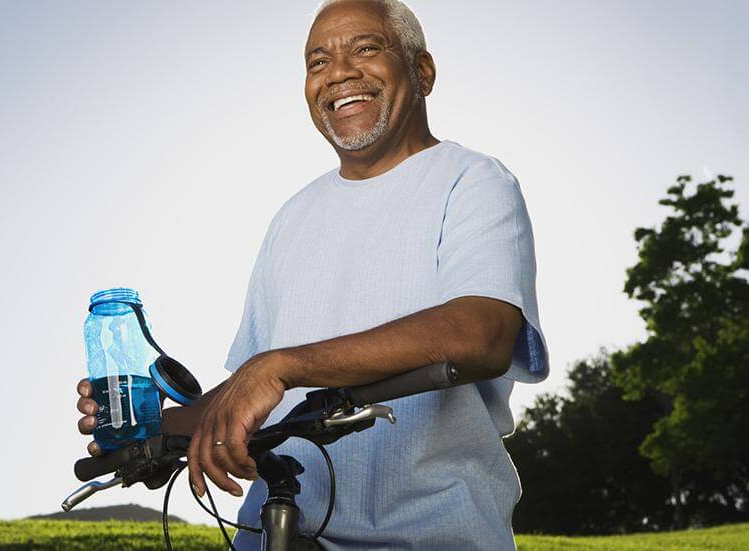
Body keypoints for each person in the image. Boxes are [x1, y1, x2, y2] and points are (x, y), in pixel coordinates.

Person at [76, 0, 549, 548]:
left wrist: (282, 366)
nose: (340, 73)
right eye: (318, 61)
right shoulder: (291, 217)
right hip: (276, 530)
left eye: (366, 49)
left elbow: (481, 335)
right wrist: (154, 429)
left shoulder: (472, 180)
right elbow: (253, 391)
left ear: (422, 71)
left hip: (428, 535)